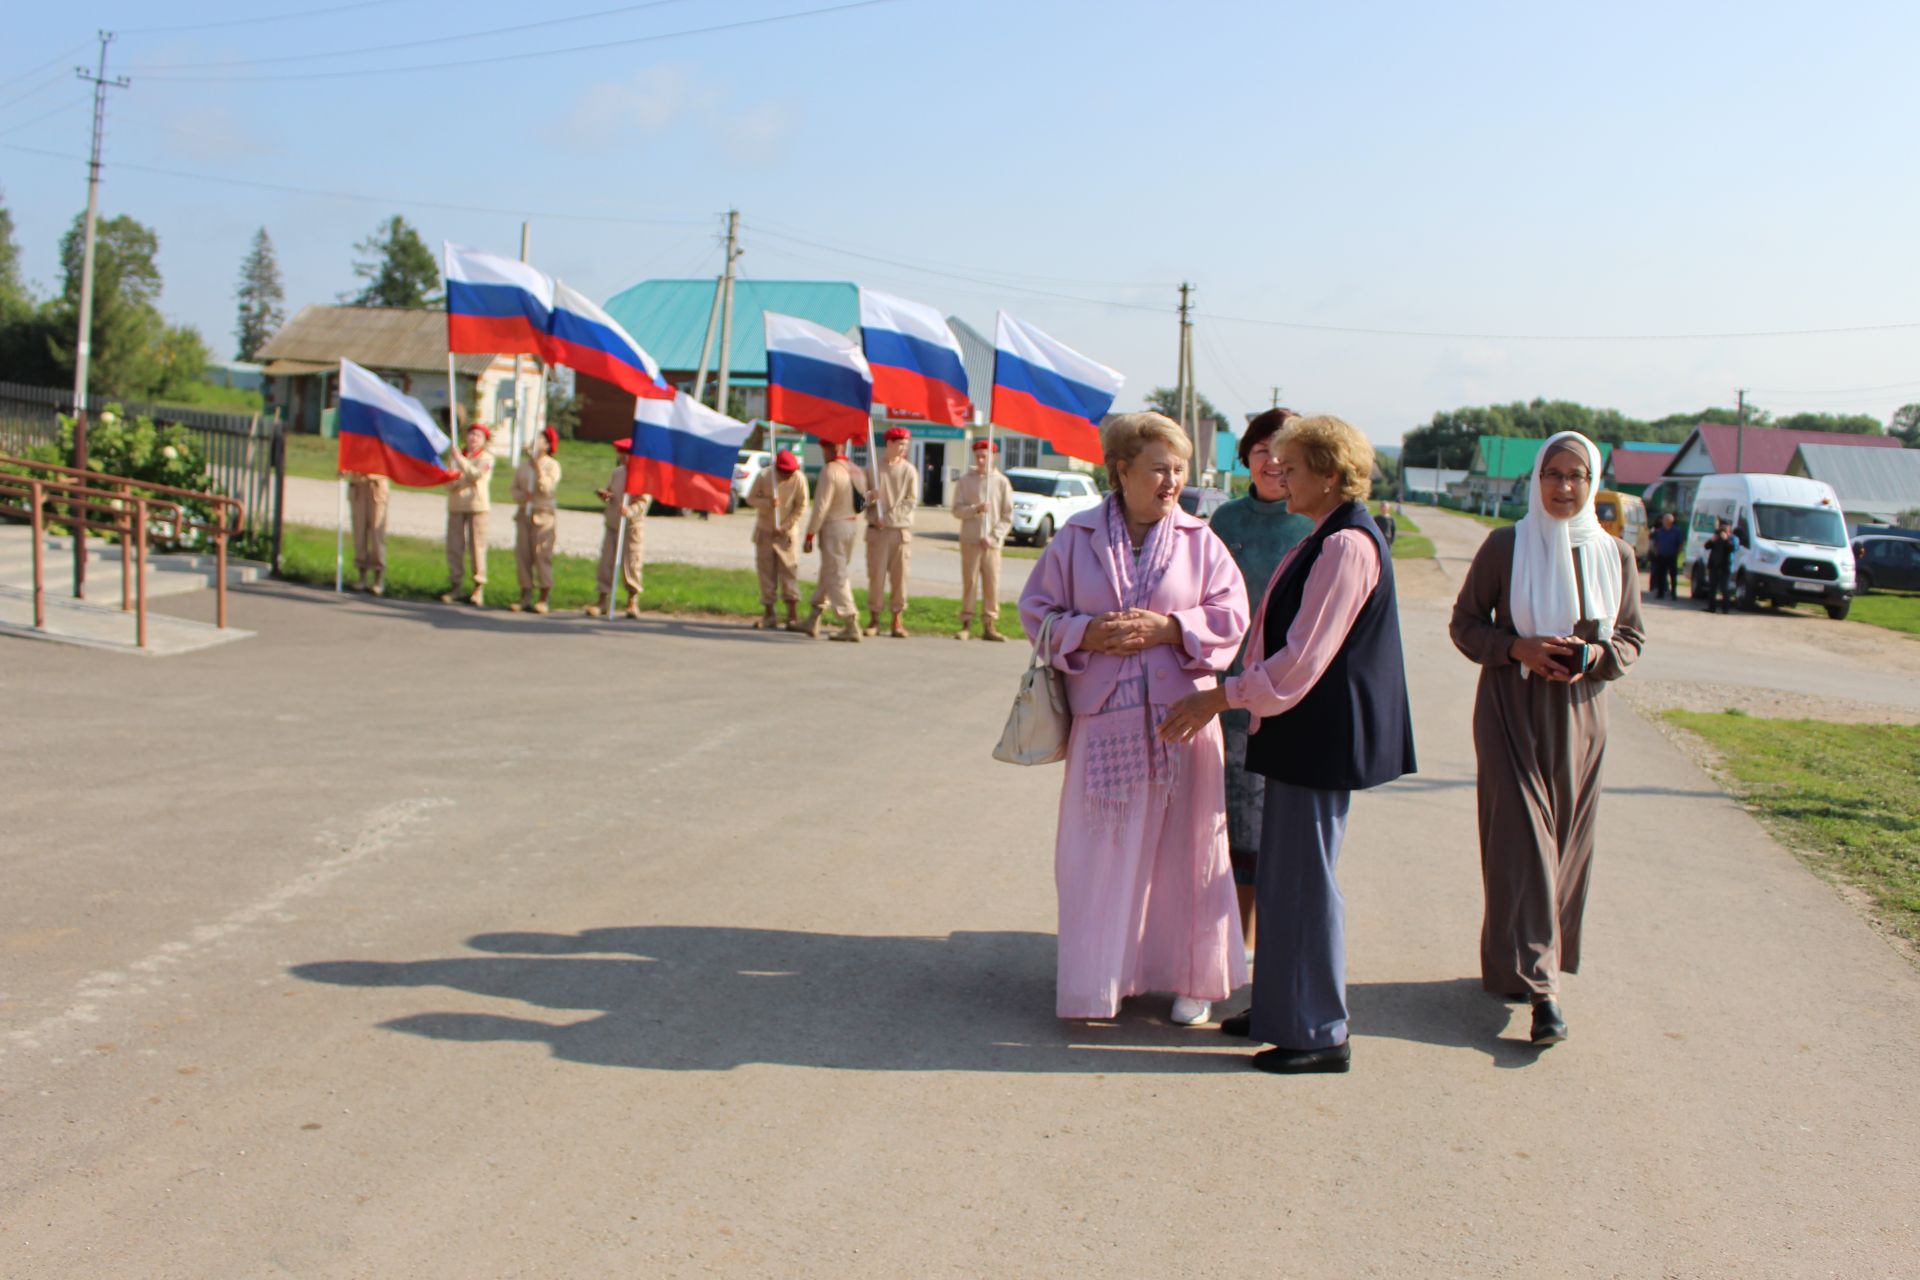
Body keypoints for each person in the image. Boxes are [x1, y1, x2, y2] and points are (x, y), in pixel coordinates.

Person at [1161, 414, 1416, 1075]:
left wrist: (1222, 695)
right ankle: (1280, 1010)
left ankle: (1320, 1031)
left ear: (1330, 475)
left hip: (1319, 735)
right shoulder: (1327, 535)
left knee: (1306, 885)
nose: (1282, 476)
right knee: (1281, 879)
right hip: (1299, 731)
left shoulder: (1346, 547)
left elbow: (1301, 663)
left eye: (1294, 467)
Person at [1018, 411, 1250, 1028]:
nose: (1171, 481)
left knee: (1189, 851)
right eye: (1158, 469)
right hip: (1105, 721)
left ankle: (1193, 982)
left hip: (1183, 720)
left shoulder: (1203, 541)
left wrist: (1171, 628)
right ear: (1122, 470)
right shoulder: (1076, 536)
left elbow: (1232, 618)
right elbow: (1036, 610)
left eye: (1178, 469)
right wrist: (1087, 632)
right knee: (1100, 852)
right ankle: (1103, 978)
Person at [1449, 430, 1644, 1046]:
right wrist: (1516, 647)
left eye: (1576, 476)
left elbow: (1631, 639)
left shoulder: (1617, 555)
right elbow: (1464, 624)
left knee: (1563, 851)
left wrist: (1594, 655)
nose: (1563, 487)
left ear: (1593, 484)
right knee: (1525, 841)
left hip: (1582, 717)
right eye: (1552, 475)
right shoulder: (1506, 546)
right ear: (1536, 481)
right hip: (1511, 708)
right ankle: (1544, 991)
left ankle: (1516, 966)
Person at [1204, 408, 1313, 966]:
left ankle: (1273, 951)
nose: (1274, 462)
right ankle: (1230, 946)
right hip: (1225, 697)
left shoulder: (1316, 522)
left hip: (1292, 699)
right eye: (1262, 449)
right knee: (1226, 825)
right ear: (1245, 455)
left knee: (1279, 830)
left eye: (1286, 450)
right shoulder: (1224, 522)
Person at [950, 438, 1015, 641]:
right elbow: (956, 510)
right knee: (969, 582)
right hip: (970, 540)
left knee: (991, 584)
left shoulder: (1001, 482)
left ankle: (990, 625)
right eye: (977, 456)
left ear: (992, 457)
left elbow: (1008, 515)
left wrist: (994, 536)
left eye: (984, 456)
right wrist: (975, 509)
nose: (980, 460)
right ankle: (966, 623)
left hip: (991, 545)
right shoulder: (965, 480)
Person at [802, 439, 863, 643]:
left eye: (825, 448)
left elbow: (821, 506)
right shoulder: (855, 470)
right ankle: (814, 616)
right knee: (830, 571)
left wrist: (810, 533)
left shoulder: (830, 470)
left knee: (836, 574)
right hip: (851, 524)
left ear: (832, 448)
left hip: (834, 526)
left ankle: (851, 620)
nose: (824, 452)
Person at [864, 426, 919, 637]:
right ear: (889, 444)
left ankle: (897, 619)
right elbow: (858, 500)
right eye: (900, 444)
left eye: (906, 444)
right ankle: (874, 618)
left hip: (899, 532)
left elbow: (910, 501)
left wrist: (887, 518)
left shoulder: (909, 471)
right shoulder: (873, 469)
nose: (903, 447)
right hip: (876, 533)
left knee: (900, 578)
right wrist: (871, 497)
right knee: (876, 576)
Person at [748, 449, 809, 630]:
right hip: (765, 531)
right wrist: (767, 503)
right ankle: (769, 614)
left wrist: (785, 526)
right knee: (766, 574)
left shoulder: (799, 478)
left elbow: (801, 505)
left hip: (786, 535)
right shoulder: (765, 475)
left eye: (790, 473)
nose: (787, 476)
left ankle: (792, 616)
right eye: (784, 473)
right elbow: (751, 498)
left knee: (789, 573)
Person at [586, 439, 644, 620]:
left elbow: (643, 501)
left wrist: (631, 511)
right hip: (613, 523)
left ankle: (632, 600)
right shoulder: (617, 473)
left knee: (631, 563)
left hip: (631, 527)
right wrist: (606, 495)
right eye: (620, 452)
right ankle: (602, 600)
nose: (622, 456)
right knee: (606, 562)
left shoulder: (641, 475)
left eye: (625, 452)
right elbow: (612, 492)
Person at [439, 422, 493, 606]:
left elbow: (476, 475)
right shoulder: (455, 457)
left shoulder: (486, 458)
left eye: (478, 436)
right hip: (456, 505)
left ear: (484, 440)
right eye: (471, 434)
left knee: (477, 546)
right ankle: (455, 584)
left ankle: (478, 586)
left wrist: (461, 465)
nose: (473, 438)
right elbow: (448, 480)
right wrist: (459, 475)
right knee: (454, 546)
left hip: (476, 506)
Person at [510, 426, 561, 615]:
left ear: (547, 444)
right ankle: (525, 595)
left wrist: (537, 468)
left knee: (542, 555)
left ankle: (543, 597)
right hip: (525, 513)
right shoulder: (523, 466)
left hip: (543, 514)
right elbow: (513, 489)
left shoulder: (552, 465)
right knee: (523, 555)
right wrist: (523, 495)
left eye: (539, 439)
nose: (534, 441)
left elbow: (547, 488)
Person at [342, 467, 389, 595]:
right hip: (358, 483)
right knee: (359, 532)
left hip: (377, 483)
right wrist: (344, 467)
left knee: (376, 533)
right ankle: (361, 575)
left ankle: (378, 578)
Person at [1704, 518, 1739, 613]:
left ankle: (1725, 609)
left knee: (1725, 589)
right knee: (1712, 588)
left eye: (1725, 527)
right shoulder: (1716, 537)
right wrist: (1712, 540)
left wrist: (1726, 539)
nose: (1722, 529)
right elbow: (1706, 546)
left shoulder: (1733, 538)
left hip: (1725, 567)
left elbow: (1733, 549)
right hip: (1714, 566)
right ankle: (1711, 608)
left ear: (1729, 528)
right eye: (1721, 527)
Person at [1648, 511, 1684, 601]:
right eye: (1664, 520)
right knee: (1661, 575)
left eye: (1666, 520)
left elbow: (1680, 544)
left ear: (1671, 521)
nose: (1664, 522)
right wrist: (1657, 552)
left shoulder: (1676, 531)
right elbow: (1655, 543)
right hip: (1661, 556)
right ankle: (1660, 593)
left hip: (1672, 556)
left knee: (1673, 575)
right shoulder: (1660, 531)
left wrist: (1677, 554)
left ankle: (1673, 593)